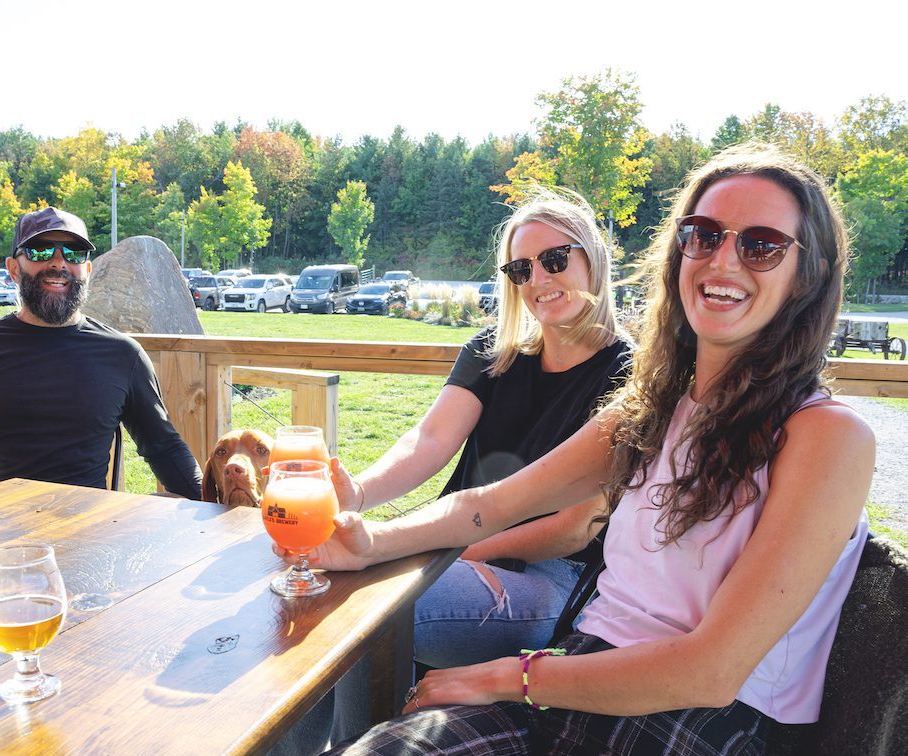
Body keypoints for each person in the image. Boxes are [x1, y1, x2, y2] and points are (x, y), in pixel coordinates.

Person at [294, 144, 873, 754]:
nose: (723, 260)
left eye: (761, 244)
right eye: (701, 236)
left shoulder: (826, 436)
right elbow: (488, 503)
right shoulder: (653, 403)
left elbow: (710, 671)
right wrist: (369, 543)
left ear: (808, 276)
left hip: (693, 721)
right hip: (574, 678)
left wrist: (497, 678)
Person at [334, 189, 631, 667]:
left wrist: (455, 552)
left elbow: (574, 528)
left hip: (551, 572)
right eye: (521, 269)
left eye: (555, 259)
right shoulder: (496, 350)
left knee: (374, 608)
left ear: (592, 259)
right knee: (329, 587)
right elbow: (430, 440)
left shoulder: (628, 376)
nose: (537, 279)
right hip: (454, 539)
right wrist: (358, 495)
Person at [0, 206, 203, 501]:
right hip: (0, 534)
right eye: (40, 251)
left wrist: (218, 502)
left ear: (87, 271)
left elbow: (163, 447)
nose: (59, 263)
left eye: (74, 253)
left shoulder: (122, 354)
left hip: (91, 532)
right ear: (13, 269)